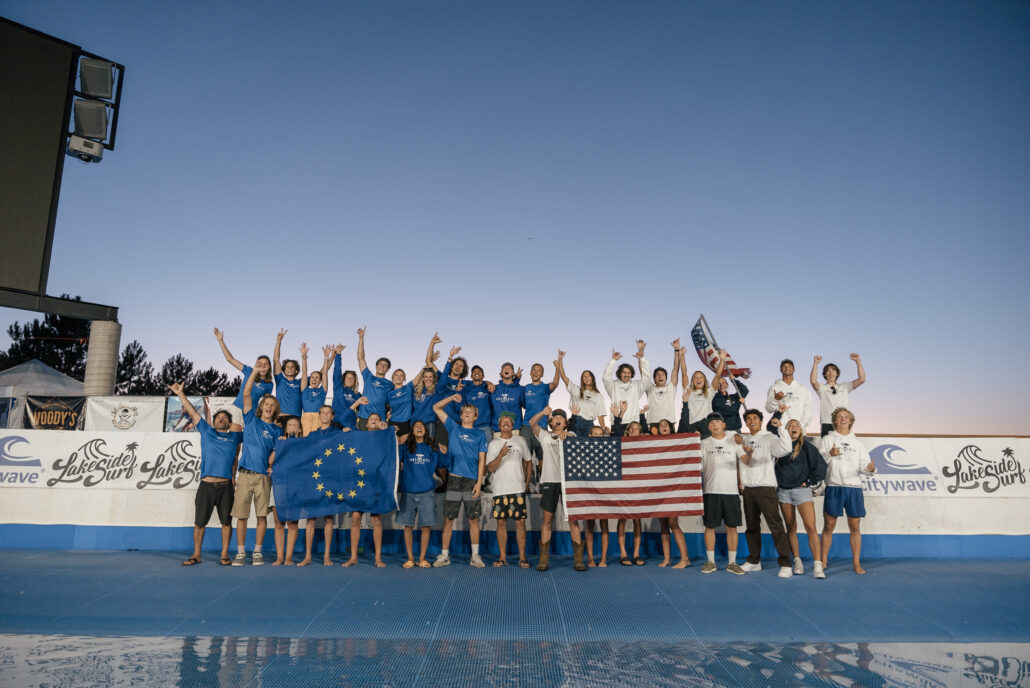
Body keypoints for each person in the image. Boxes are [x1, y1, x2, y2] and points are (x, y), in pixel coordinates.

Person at [169, 382, 242, 567]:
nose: (221, 419)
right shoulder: (207, 431)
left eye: (225, 418)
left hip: (226, 487)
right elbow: (193, 412)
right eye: (218, 417)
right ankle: (196, 555)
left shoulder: (235, 437)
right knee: (200, 523)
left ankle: (224, 555)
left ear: (229, 423)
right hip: (206, 486)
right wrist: (180, 394)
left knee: (226, 522)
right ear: (213, 422)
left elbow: (252, 429)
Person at [230, 362, 282, 566]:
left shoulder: (277, 430)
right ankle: (241, 552)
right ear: (261, 406)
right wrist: (253, 372)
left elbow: (277, 453)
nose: (269, 407)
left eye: (272, 405)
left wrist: (272, 465)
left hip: (263, 478)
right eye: (266, 404)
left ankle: (257, 552)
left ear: (275, 410)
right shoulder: (251, 418)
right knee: (241, 517)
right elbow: (246, 393)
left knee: (261, 517)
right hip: (244, 475)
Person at [603, 342, 649, 566]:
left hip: (634, 425)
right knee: (623, 516)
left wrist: (642, 358)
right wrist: (613, 360)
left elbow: (647, 378)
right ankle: (623, 553)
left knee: (637, 517)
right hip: (618, 427)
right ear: (620, 373)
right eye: (624, 372)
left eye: (630, 372)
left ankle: (636, 553)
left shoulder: (637, 386)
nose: (627, 375)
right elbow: (605, 376)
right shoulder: (612, 386)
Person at [432, 393, 488, 567]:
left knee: (473, 519)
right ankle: (444, 556)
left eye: (470, 412)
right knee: (449, 519)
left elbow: (482, 460)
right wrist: (451, 398)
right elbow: (436, 407)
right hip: (454, 480)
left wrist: (479, 482)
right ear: (461, 415)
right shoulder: (453, 427)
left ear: (475, 417)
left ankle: (475, 556)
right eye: (464, 411)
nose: (467, 413)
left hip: (471, 482)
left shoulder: (480, 435)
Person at [528, 406, 587, 571]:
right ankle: (543, 560)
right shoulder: (545, 436)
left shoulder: (572, 436)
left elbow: (579, 446)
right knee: (547, 519)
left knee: (573, 520)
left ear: (566, 423)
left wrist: (569, 436)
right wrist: (543, 412)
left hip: (568, 482)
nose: (558, 420)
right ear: (551, 422)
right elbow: (532, 423)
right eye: (555, 418)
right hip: (550, 480)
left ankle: (578, 560)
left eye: (561, 418)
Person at [738, 409, 795, 578]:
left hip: (766, 488)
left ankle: (786, 564)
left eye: (755, 418)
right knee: (751, 527)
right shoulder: (743, 440)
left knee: (776, 526)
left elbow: (785, 449)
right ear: (746, 423)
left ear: (761, 421)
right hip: (748, 489)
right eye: (748, 419)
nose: (752, 421)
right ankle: (754, 561)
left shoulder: (769, 437)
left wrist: (781, 428)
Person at [819, 407, 875, 575]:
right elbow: (819, 463)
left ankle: (856, 563)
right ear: (835, 421)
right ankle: (823, 561)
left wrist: (871, 469)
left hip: (853, 488)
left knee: (854, 525)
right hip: (834, 486)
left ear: (850, 421)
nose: (843, 419)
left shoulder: (858, 444)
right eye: (840, 417)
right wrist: (830, 454)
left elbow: (865, 467)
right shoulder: (827, 440)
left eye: (846, 417)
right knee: (829, 525)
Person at [775, 417, 827, 578]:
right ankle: (797, 561)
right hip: (784, 492)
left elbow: (821, 467)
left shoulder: (807, 447)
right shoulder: (779, 447)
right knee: (791, 527)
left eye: (796, 425)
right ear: (786, 430)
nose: (793, 427)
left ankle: (817, 565)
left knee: (810, 527)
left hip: (801, 491)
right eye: (790, 425)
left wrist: (809, 482)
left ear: (801, 430)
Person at [700, 413, 747, 575]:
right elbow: (697, 466)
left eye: (717, 422)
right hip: (710, 490)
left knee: (732, 527)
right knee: (709, 527)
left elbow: (745, 459)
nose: (715, 425)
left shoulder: (734, 440)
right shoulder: (703, 443)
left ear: (724, 424)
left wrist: (746, 444)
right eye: (711, 423)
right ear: (708, 427)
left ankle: (732, 563)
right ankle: (710, 562)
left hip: (731, 491)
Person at [342, 411, 389, 568]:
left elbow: (394, 447)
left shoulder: (385, 437)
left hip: (376, 483)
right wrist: (345, 433)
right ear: (366, 424)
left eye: (377, 419)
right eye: (371, 419)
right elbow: (343, 419)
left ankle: (378, 558)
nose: (374, 420)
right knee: (356, 518)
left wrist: (385, 430)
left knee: (376, 520)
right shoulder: (358, 437)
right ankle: (353, 557)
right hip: (359, 484)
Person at [486, 412, 532, 567]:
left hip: (517, 487)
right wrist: (501, 455)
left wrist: (527, 483)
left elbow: (528, 461)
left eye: (509, 422)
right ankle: (502, 557)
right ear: (499, 426)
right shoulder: (494, 444)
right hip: (500, 489)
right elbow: (490, 468)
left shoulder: (521, 440)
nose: (506, 423)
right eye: (503, 422)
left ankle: (522, 557)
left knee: (520, 522)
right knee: (501, 523)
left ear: (513, 426)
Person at [397, 420, 445, 568]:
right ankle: (410, 558)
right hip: (408, 493)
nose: (419, 428)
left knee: (426, 526)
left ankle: (422, 558)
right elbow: (392, 456)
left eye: (422, 426)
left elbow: (444, 463)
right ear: (412, 431)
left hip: (426, 493)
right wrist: (392, 437)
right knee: (407, 526)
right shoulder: (405, 448)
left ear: (425, 431)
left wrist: (445, 453)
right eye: (416, 426)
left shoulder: (432, 448)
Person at [300, 406, 338, 566]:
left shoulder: (338, 434)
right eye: (323, 412)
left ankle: (327, 556)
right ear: (319, 415)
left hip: (330, 480)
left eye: (328, 413)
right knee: (311, 518)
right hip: (314, 481)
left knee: (329, 518)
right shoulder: (312, 435)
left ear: (332, 416)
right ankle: (308, 556)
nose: (325, 415)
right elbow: (303, 454)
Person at [653, 418, 690, 569]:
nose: (663, 427)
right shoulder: (653, 444)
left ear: (671, 428)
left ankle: (685, 558)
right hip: (659, 489)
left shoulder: (677, 442)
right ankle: (667, 558)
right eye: (661, 425)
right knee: (663, 524)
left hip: (673, 489)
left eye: (666, 425)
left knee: (673, 523)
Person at [385, 334, 439, 437]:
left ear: (404, 378)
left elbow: (420, 373)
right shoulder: (389, 393)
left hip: (406, 423)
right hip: (392, 422)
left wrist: (430, 361)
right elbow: (385, 407)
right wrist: (387, 415)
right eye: (396, 375)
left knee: (407, 445)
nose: (399, 377)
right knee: (393, 445)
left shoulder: (409, 388)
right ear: (393, 377)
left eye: (401, 375)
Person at [214, 328, 273, 410]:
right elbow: (230, 359)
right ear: (255, 365)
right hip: (237, 408)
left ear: (269, 367)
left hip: (252, 412)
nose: (262, 367)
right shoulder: (249, 371)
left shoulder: (269, 384)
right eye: (260, 364)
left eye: (265, 364)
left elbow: (267, 402)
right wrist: (221, 341)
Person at [810, 353, 866, 436]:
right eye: (828, 371)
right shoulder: (822, 388)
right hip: (827, 423)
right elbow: (813, 381)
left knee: (843, 444)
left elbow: (862, 379)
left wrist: (858, 361)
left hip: (843, 423)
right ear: (825, 374)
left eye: (833, 370)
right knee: (827, 445)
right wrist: (815, 363)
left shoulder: (845, 386)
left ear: (837, 374)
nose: (831, 373)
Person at [557, 354, 608, 437]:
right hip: (576, 421)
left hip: (589, 424)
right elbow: (563, 376)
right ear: (582, 380)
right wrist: (560, 360)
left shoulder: (598, 396)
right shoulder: (576, 389)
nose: (586, 377)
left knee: (589, 444)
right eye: (584, 376)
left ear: (592, 378)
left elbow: (600, 416)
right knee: (573, 443)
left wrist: (603, 429)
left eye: (588, 376)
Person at [278, 416, 305, 565]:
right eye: (290, 425)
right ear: (286, 429)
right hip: (281, 485)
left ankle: (288, 557)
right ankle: (279, 557)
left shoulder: (305, 444)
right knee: (279, 522)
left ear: (299, 429)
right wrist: (281, 446)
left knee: (293, 523)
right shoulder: (280, 442)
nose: (292, 427)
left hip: (297, 486)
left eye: (295, 425)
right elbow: (270, 461)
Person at [355, 327, 393, 431]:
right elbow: (360, 358)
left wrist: (390, 413)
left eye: (385, 365)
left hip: (380, 419)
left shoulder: (390, 385)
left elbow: (392, 402)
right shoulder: (368, 377)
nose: (382, 366)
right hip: (364, 417)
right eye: (380, 364)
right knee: (362, 440)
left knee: (378, 441)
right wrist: (361, 339)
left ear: (388, 369)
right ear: (376, 366)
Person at [644, 339, 683, 430]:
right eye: (658, 374)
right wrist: (641, 353)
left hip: (669, 422)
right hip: (653, 423)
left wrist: (676, 350)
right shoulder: (650, 388)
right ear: (654, 379)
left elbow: (676, 369)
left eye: (663, 374)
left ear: (666, 378)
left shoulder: (671, 387)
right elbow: (644, 373)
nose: (660, 376)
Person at [765, 359, 812, 432]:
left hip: (798, 432)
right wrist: (775, 399)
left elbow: (808, 412)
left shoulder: (804, 390)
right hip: (779, 431)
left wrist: (799, 426)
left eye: (790, 366)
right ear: (780, 370)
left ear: (794, 369)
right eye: (784, 366)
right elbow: (769, 409)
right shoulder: (774, 388)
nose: (787, 368)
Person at [711, 350, 749, 433]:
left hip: (737, 430)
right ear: (716, 386)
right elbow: (731, 410)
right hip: (724, 430)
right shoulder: (716, 400)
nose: (721, 385)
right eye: (719, 383)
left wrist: (734, 381)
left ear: (727, 385)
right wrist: (739, 402)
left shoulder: (733, 397)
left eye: (723, 382)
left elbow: (745, 391)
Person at [299, 344, 333, 436]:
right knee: (306, 441)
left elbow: (325, 373)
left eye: (317, 378)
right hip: (305, 419)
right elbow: (304, 373)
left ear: (320, 381)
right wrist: (304, 357)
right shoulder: (305, 390)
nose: (314, 379)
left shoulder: (322, 391)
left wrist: (326, 357)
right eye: (312, 377)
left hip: (319, 419)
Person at [272, 329, 303, 421]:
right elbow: (276, 359)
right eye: (287, 367)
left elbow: (319, 375)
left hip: (296, 418)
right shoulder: (280, 379)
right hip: (280, 417)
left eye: (292, 367)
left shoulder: (301, 382)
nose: (289, 368)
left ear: (296, 371)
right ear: (284, 370)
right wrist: (279, 341)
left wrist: (329, 357)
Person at [330, 344, 360, 430]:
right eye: (347, 377)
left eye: (352, 378)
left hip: (350, 424)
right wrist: (338, 354)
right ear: (343, 379)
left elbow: (363, 410)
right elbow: (337, 371)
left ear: (355, 381)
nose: (349, 379)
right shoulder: (338, 388)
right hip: (336, 422)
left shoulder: (357, 395)